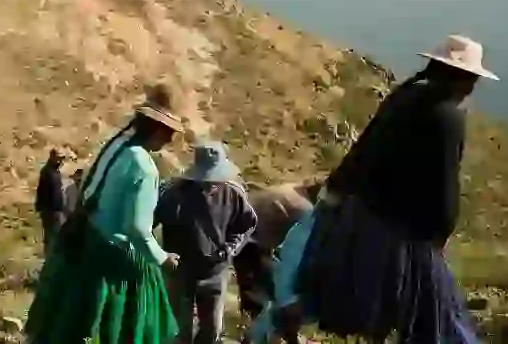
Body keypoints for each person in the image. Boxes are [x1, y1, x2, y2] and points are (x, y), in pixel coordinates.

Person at [293, 35, 497, 344]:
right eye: (472, 78)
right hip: (401, 230)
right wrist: (442, 232)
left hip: (360, 216)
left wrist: (337, 189)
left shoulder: (406, 94)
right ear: (461, 76)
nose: (472, 87)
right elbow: (445, 182)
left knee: (366, 306)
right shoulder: (446, 113)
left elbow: (365, 148)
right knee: (436, 320)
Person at [24, 82, 186, 344]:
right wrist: (163, 259)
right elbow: (137, 229)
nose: (170, 140)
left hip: (86, 239)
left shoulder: (114, 144)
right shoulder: (144, 167)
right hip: (113, 257)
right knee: (126, 328)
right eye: (170, 132)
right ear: (158, 128)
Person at [157, 140, 258, 344]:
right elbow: (144, 225)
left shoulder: (234, 194)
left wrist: (230, 248)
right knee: (179, 331)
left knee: (212, 330)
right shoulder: (172, 194)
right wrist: (161, 255)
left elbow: (246, 225)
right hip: (181, 273)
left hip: (215, 273)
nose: (212, 184)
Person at [233, 180, 322, 343]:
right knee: (269, 297)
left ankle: (251, 330)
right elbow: (294, 249)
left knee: (254, 292)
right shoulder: (304, 209)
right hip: (253, 242)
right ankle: (256, 336)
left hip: (241, 233)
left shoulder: (292, 189)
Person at [34, 149, 67, 253]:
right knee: (51, 237)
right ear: (52, 157)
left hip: (56, 211)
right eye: (58, 158)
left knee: (56, 237)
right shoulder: (47, 172)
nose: (60, 161)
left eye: (62, 159)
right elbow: (42, 191)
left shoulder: (55, 171)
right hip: (50, 211)